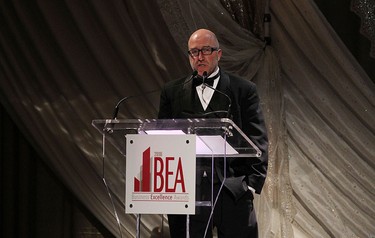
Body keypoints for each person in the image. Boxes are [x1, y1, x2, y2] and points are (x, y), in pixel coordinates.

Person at [158, 29, 268, 238]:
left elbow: (258, 138)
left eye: (206, 50)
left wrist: (251, 185)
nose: (199, 57)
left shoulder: (243, 89)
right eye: (194, 52)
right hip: (186, 193)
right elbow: (162, 139)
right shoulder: (171, 92)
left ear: (219, 54)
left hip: (232, 190)